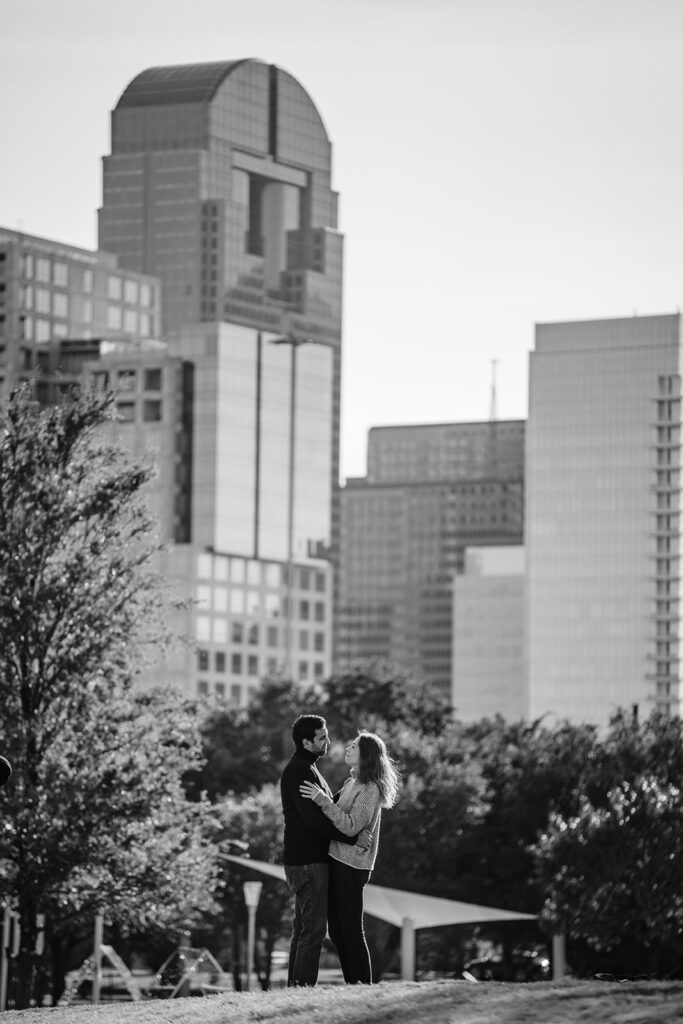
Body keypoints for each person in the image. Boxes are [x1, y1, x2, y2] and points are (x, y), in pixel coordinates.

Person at [300, 730, 400, 984]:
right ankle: (352, 983)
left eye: (353, 747)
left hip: (352, 866)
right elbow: (335, 819)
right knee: (337, 931)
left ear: (366, 755)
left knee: (352, 931)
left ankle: (361, 985)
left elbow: (350, 826)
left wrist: (322, 800)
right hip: (337, 860)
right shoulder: (351, 783)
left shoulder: (370, 789)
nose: (347, 749)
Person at [280, 714, 369, 987]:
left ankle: (296, 987)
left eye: (326, 735)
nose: (327, 741)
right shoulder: (300, 771)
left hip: (306, 860)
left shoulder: (308, 768)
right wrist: (353, 838)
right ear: (306, 742)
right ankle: (302, 988)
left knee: (303, 928)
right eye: (321, 737)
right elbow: (315, 823)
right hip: (308, 862)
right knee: (315, 929)